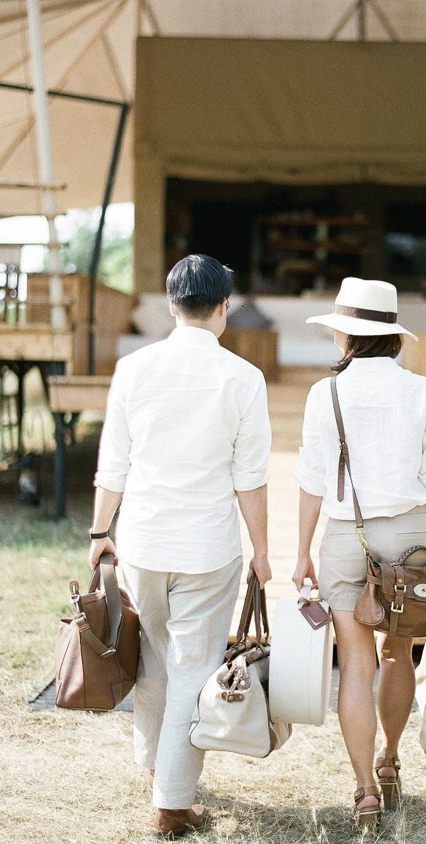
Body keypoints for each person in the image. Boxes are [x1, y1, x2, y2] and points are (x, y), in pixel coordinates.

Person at [90, 255, 272, 839]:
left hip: (142, 541)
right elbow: (251, 476)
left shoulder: (133, 368)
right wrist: (262, 550)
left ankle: (154, 769)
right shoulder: (244, 378)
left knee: (153, 659)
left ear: (171, 306)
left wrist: (99, 534)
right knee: (193, 668)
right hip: (207, 547)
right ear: (223, 308)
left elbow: (112, 462)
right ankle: (172, 803)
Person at [293, 277, 426, 829]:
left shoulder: (326, 393)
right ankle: (388, 760)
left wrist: (300, 554)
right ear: (392, 335)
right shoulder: (423, 391)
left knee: (356, 665)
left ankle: (363, 791)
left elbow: (312, 481)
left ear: (346, 335)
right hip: (413, 541)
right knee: (397, 656)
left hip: (345, 535)